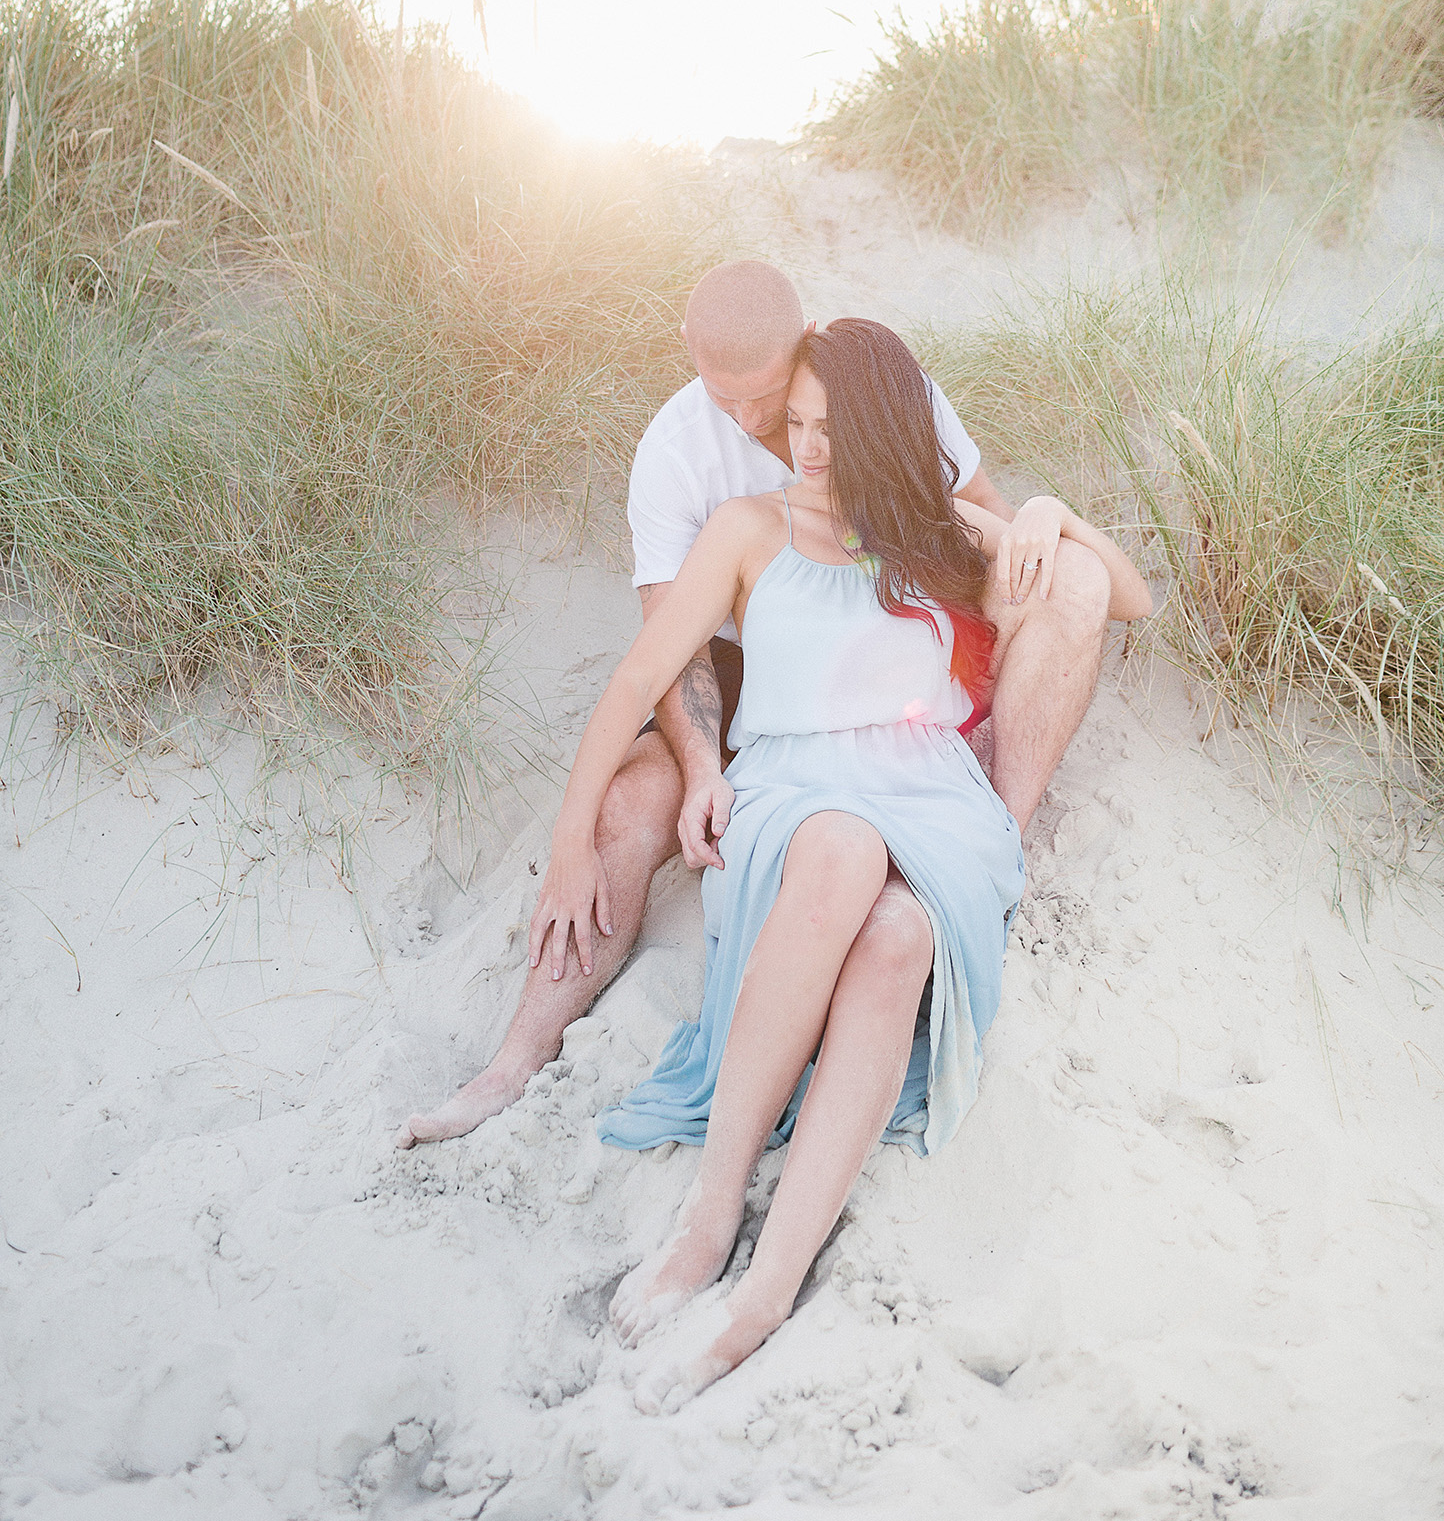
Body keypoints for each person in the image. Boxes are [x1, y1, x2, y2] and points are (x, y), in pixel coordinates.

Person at [527, 319, 1153, 1408]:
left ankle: (767, 1291)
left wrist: (1042, 513)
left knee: (900, 934)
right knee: (841, 846)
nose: (807, 452)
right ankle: (711, 1218)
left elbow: (1122, 596)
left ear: (883, 432)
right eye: (798, 427)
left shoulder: (934, 536)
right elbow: (635, 685)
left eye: (832, 430)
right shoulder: (746, 530)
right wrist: (567, 846)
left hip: (931, 799)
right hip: (793, 796)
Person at [399, 260, 1121, 1151]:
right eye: (723, 396)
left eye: (766, 395)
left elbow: (989, 536)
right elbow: (669, 645)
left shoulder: (876, 393)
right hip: (751, 663)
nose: (747, 420)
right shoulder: (677, 451)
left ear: (805, 345)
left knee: (1061, 604)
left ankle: (989, 843)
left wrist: (1048, 533)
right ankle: (512, 1061)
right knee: (631, 804)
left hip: (886, 652)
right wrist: (702, 772)